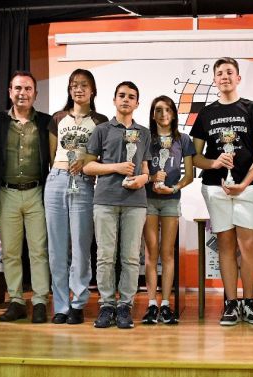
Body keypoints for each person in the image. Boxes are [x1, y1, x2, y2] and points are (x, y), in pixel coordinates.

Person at [191, 57, 253, 326]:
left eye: (229, 72)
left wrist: (246, 181)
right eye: (220, 73)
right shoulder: (205, 114)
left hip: (247, 186)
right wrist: (214, 163)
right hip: (215, 186)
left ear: (238, 78)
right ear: (214, 80)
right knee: (225, 245)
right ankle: (231, 302)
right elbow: (195, 157)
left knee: (248, 245)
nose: (224, 76)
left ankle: (249, 302)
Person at [83, 81, 152, 329]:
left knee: (132, 257)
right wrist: (115, 167)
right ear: (114, 100)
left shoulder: (144, 133)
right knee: (104, 257)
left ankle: (125, 305)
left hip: (136, 202)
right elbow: (87, 166)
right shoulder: (101, 130)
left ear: (137, 103)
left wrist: (143, 179)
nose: (126, 100)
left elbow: (146, 169)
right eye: (122, 95)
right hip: (105, 199)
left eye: (131, 97)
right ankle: (106, 305)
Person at [46, 69, 108, 325]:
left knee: (81, 246)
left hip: (83, 182)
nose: (78, 89)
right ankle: (60, 305)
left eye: (84, 85)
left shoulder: (101, 121)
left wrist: (85, 161)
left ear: (93, 90)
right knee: (57, 248)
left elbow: (103, 155)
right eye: (74, 85)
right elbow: (52, 155)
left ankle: (78, 303)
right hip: (57, 180)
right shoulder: (57, 118)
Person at [0, 71, 52, 324]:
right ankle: (16, 301)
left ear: (35, 94)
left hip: (37, 192)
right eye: (18, 88)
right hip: (6, 193)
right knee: (10, 252)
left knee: (39, 251)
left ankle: (39, 301)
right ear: (10, 92)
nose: (22, 93)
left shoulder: (47, 122)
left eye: (28, 89)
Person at [140, 95, 195, 325]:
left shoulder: (183, 139)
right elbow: (141, 170)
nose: (163, 114)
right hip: (149, 199)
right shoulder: (145, 138)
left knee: (168, 253)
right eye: (159, 110)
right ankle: (152, 304)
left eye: (168, 110)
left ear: (174, 114)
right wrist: (153, 179)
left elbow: (190, 175)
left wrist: (174, 188)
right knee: (151, 253)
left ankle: (166, 304)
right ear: (153, 114)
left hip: (171, 200)